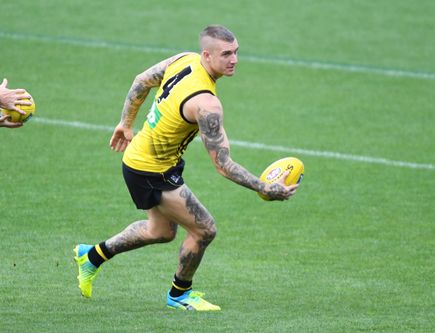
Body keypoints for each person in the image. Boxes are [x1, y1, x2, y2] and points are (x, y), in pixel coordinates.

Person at [74, 25, 298, 311]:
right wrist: (265, 188)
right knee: (205, 229)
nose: (234, 59)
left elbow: (141, 80)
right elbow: (223, 165)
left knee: (161, 232)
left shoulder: (184, 59)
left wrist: (126, 123)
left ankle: (91, 256)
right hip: (151, 171)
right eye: (226, 54)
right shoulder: (207, 104)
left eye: (236, 52)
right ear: (207, 54)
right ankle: (179, 294)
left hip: (144, 160)